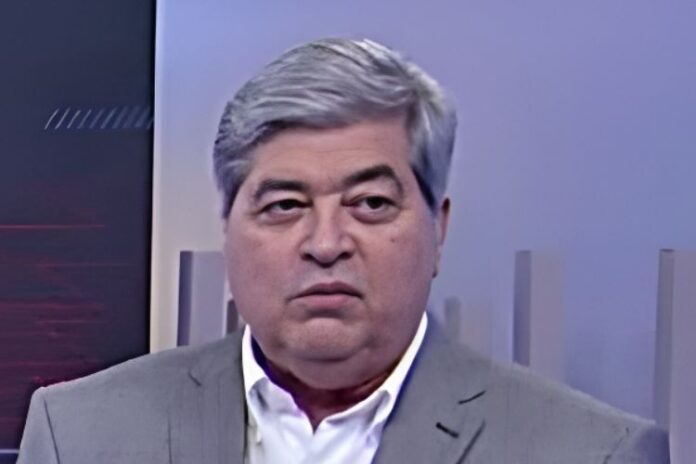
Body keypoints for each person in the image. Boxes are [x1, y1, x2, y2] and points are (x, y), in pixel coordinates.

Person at [17, 38, 669, 464]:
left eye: (371, 204)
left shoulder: (592, 452)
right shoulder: (81, 435)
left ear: (438, 229)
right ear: (227, 232)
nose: (326, 244)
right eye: (284, 206)